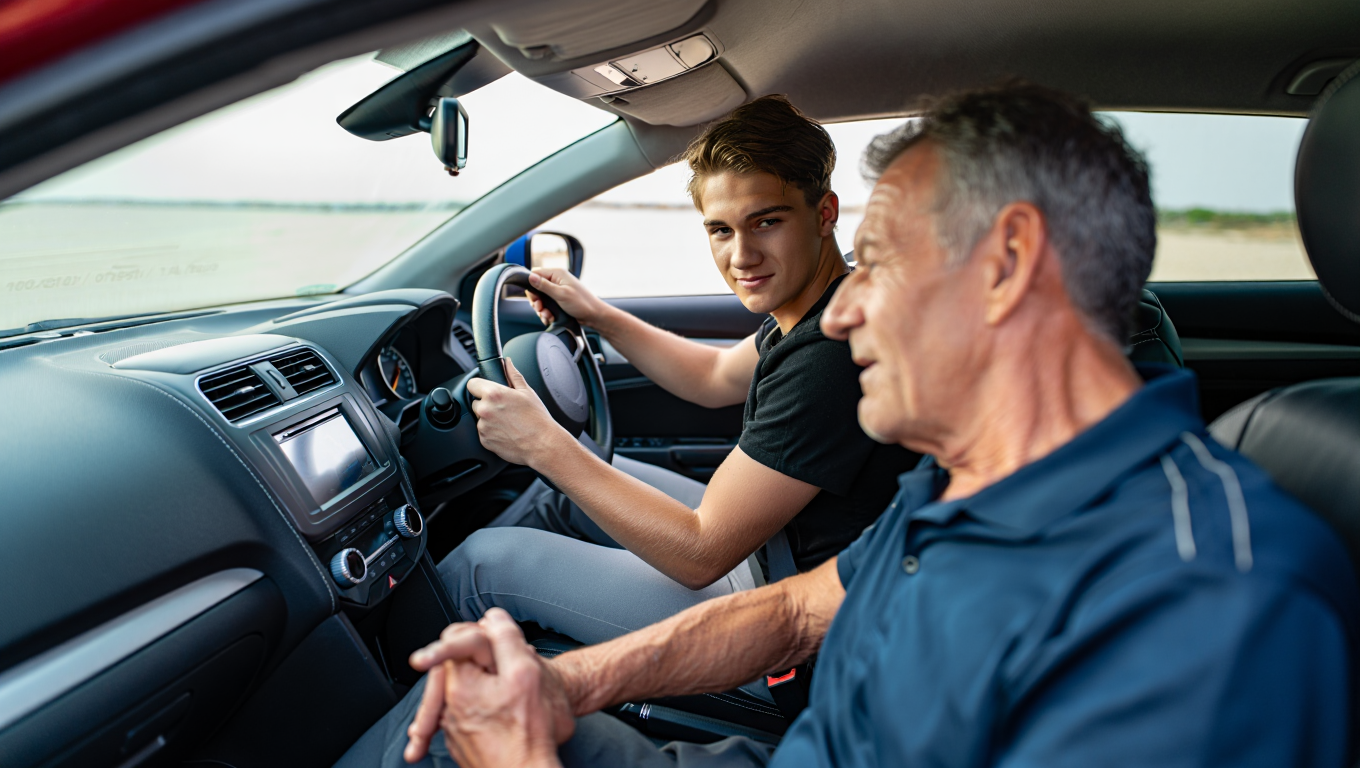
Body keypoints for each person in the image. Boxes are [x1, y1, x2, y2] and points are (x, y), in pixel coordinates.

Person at [340, 82, 1357, 768]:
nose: (843, 308)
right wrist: (568, 685)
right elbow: (785, 614)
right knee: (444, 718)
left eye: (879, 262)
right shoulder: (962, 483)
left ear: (1005, 264)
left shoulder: (1202, 614)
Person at [437, 94, 915, 646]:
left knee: (484, 564)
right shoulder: (814, 305)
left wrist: (540, 443)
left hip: (786, 617)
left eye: (766, 222)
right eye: (721, 230)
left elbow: (699, 552)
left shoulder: (830, 352)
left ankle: (397, 706)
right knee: (566, 493)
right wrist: (601, 316)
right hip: (769, 552)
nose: (742, 256)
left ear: (824, 212)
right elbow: (713, 377)